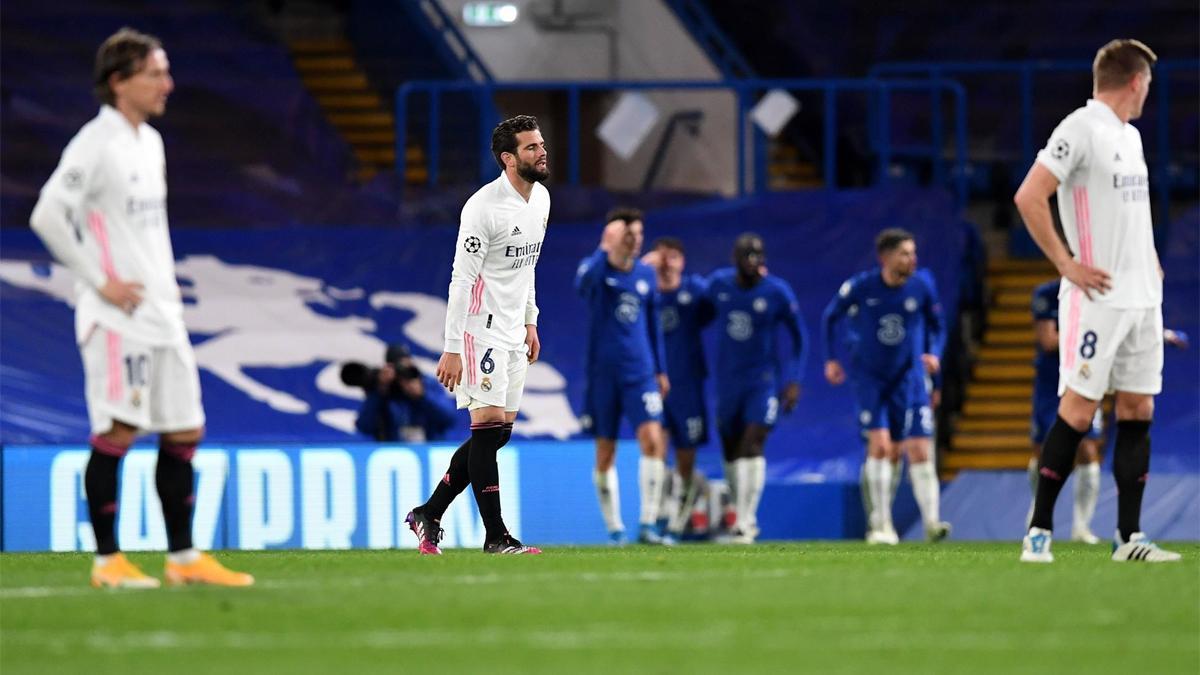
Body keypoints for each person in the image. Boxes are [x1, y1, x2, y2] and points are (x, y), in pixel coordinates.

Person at [29, 28, 252, 588]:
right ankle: (108, 562)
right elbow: (47, 216)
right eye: (154, 73)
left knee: (184, 430)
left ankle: (183, 560)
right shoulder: (94, 143)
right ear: (119, 82)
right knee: (120, 428)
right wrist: (99, 281)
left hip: (162, 313)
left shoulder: (148, 141)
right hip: (116, 317)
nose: (167, 84)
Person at [1014, 39, 1180, 563]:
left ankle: (1128, 538)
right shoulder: (1079, 127)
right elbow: (1029, 195)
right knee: (1079, 411)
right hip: (1098, 298)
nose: (1148, 92)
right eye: (1148, 83)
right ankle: (1038, 531)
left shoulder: (1129, 138)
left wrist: (1148, 258)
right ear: (1135, 81)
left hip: (1141, 298)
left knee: (1138, 407)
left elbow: (1130, 211)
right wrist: (1067, 264)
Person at [404, 115, 549, 555]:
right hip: (479, 328)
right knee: (486, 428)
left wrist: (530, 319)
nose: (542, 152)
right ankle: (496, 536)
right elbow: (461, 281)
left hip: (512, 330)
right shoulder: (482, 208)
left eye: (541, 145)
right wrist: (451, 348)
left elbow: (528, 267)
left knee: (498, 433)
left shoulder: (540, 199)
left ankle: (428, 512)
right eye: (531, 148)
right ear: (508, 159)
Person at [822, 229, 950, 545]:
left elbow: (938, 325)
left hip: (911, 379)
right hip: (871, 379)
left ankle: (932, 522)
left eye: (913, 252)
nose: (912, 259)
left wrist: (934, 353)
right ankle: (880, 524)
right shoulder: (862, 287)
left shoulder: (922, 286)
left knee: (919, 449)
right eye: (905, 253)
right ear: (885, 258)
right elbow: (829, 317)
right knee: (881, 447)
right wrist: (831, 359)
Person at [576, 208, 671, 545]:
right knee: (605, 452)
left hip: (641, 373)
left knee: (653, 440)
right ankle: (614, 528)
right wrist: (604, 247)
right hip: (604, 375)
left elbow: (652, 325)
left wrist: (660, 369)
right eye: (629, 234)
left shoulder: (646, 274)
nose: (635, 240)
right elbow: (582, 285)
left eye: (639, 234)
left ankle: (647, 524)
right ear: (614, 236)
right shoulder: (597, 271)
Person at [706, 233, 807, 544]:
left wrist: (794, 379)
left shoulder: (777, 291)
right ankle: (739, 510)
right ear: (735, 258)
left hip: (762, 381)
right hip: (727, 381)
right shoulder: (718, 285)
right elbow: (695, 312)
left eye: (758, 254)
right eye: (747, 255)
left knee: (753, 442)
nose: (754, 260)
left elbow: (800, 336)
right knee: (731, 450)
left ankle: (747, 520)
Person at [642, 238, 714, 542]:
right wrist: (644, 266)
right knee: (655, 445)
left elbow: (716, 305)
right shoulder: (645, 293)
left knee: (686, 455)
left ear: (683, 262)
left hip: (688, 386)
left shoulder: (696, 292)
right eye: (663, 257)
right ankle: (652, 516)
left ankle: (677, 519)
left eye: (674, 257)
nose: (668, 262)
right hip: (653, 383)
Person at [1028, 280, 1106, 544]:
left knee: (1088, 449)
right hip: (1051, 384)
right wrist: (1094, 335)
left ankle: (1082, 527)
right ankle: (1038, 513)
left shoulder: (1099, 290)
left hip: (1084, 378)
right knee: (1044, 451)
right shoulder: (1047, 293)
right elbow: (1048, 340)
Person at [344, 343, 456, 442]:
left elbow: (449, 419)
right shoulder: (385, 390)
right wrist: (379, 392)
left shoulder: (427, 383)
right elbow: (364, 427)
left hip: (429, 446)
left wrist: (422, 396)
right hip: (394, 453)